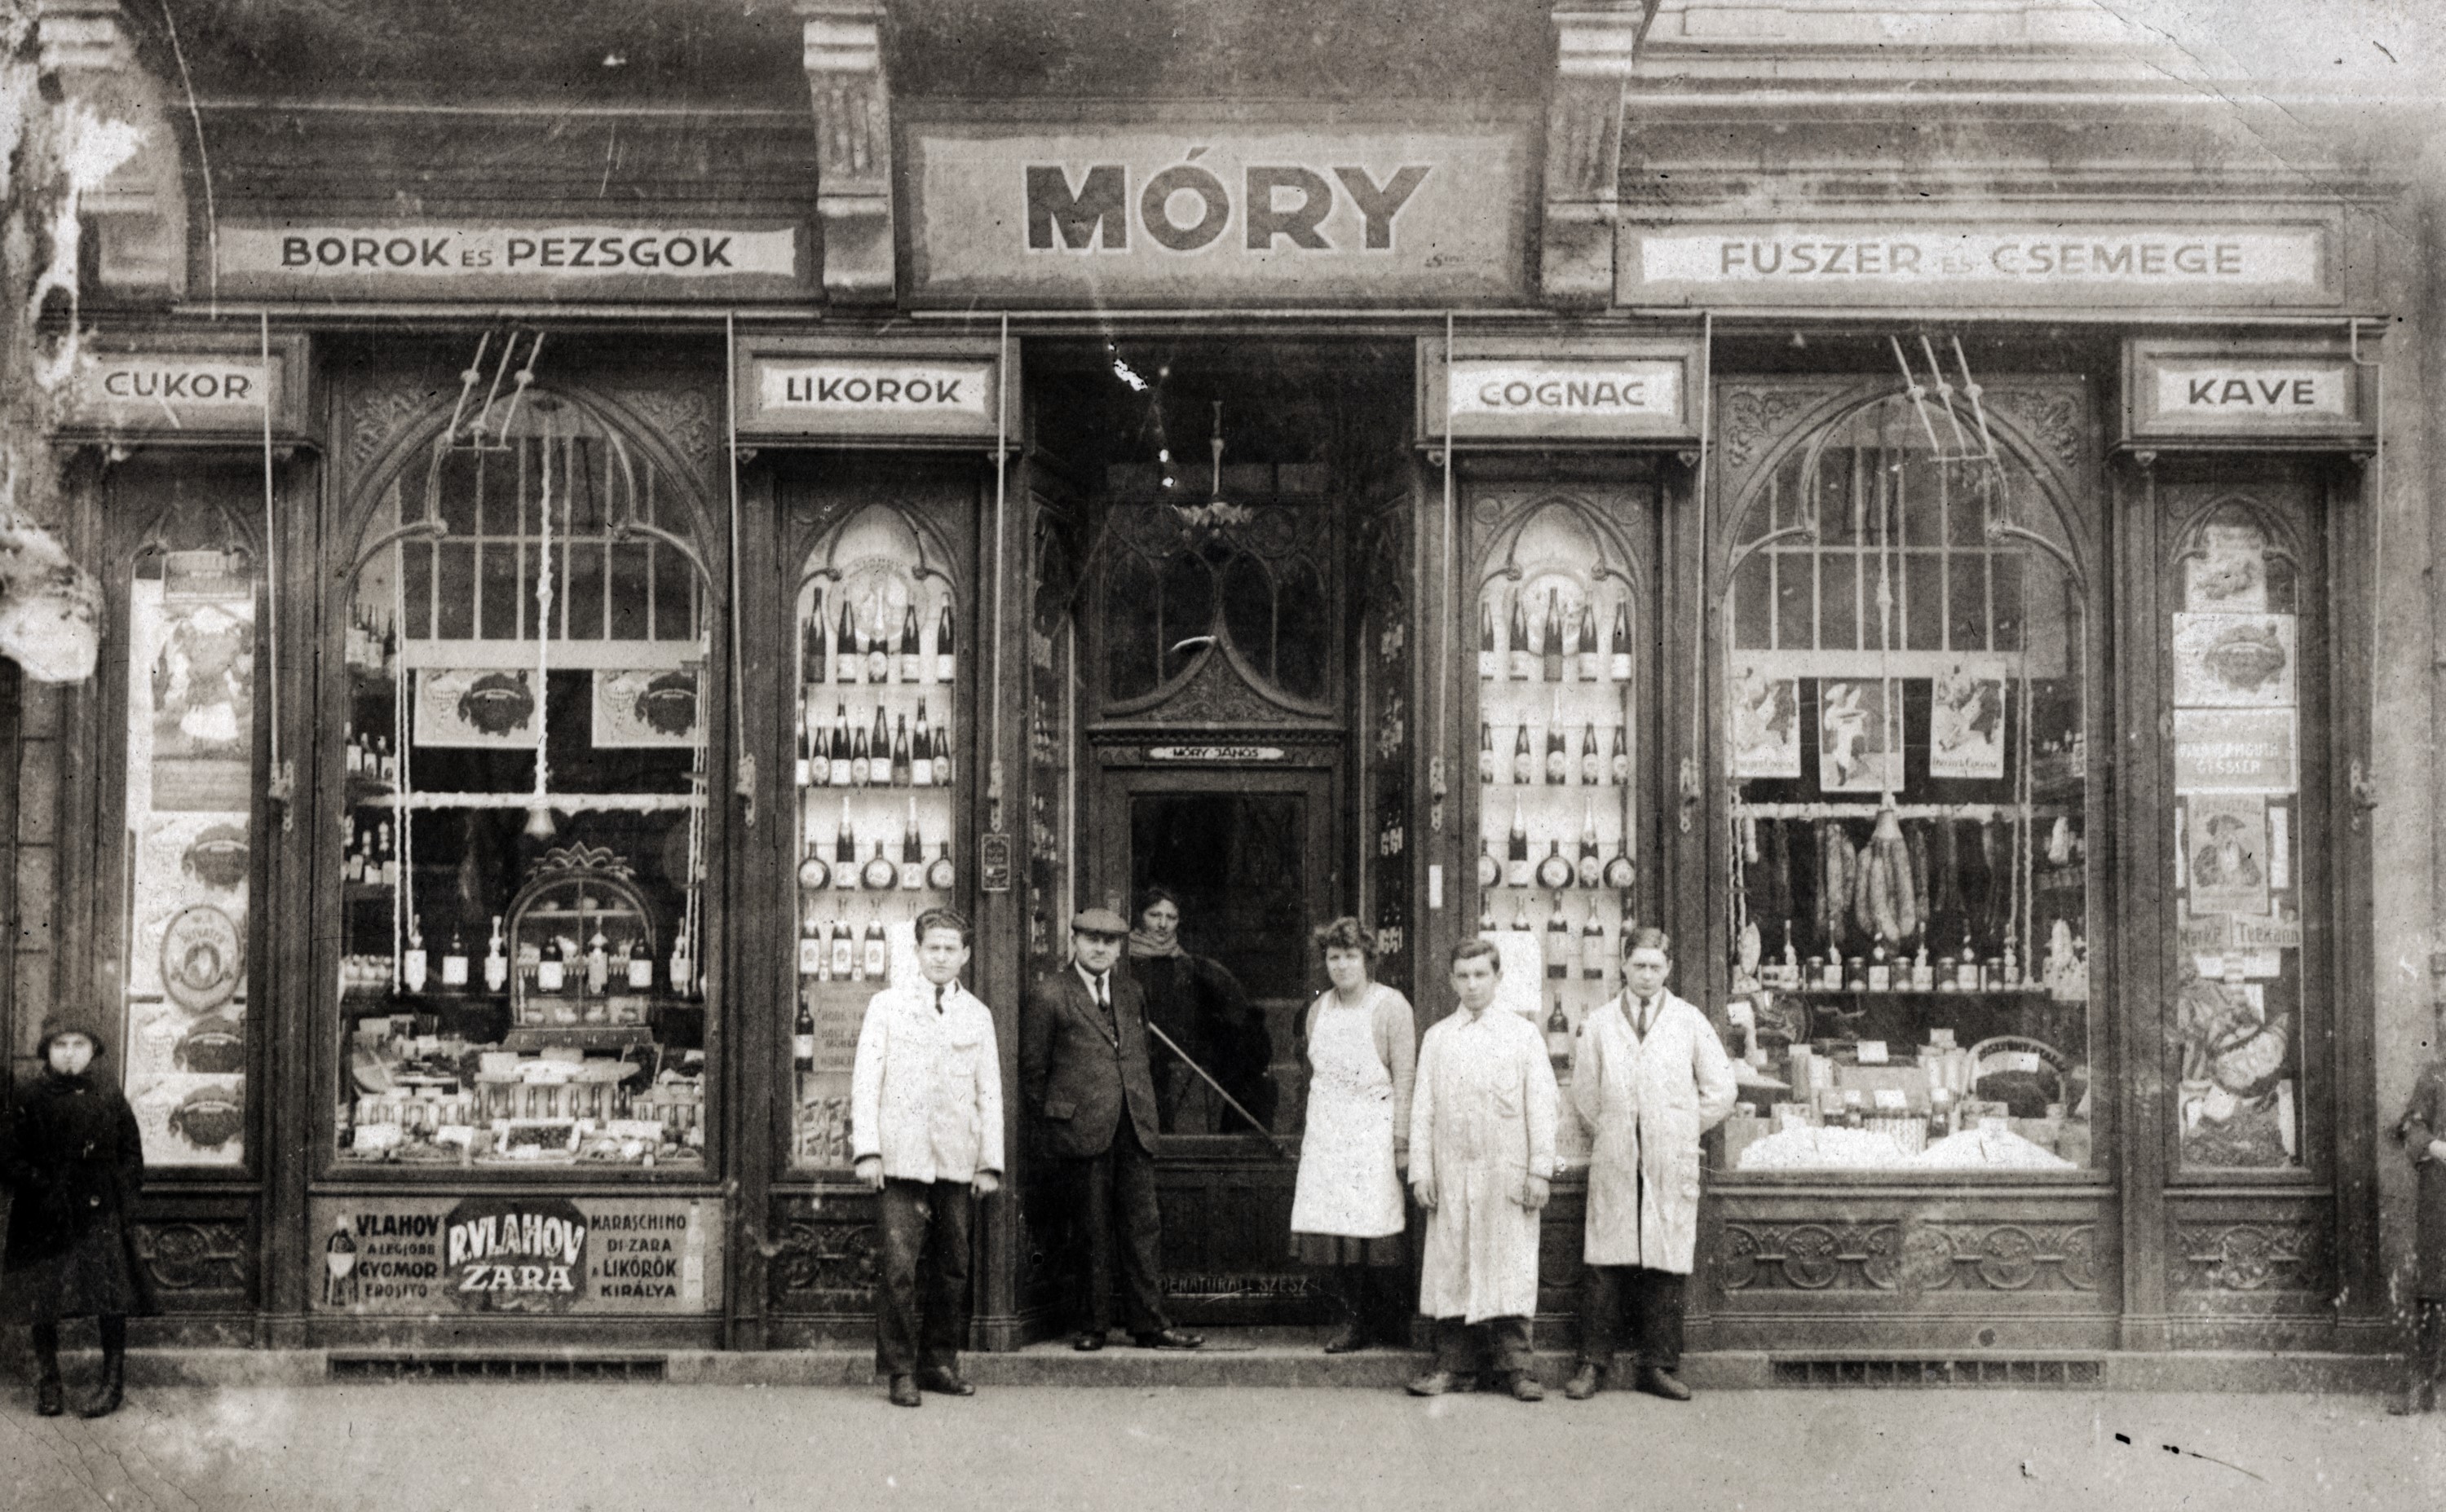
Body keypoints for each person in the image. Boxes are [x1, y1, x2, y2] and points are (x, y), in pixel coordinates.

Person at [1564, 928, 1737, 1403]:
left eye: (1655, 967)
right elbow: (1584, 1094)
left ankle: (1658, 1365)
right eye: (1638, 965)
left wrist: (1678, 1127)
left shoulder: (1688, 1021)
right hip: (1617, 1154)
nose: (1646, 975)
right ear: (1623, 964)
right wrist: (1620, 1129)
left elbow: (1722, 1088)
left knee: (1665, 1259)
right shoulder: (1599, 1023)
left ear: (1668, 969)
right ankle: (1592, 1364)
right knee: (1605, 1260)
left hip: (1669, 1156)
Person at [1021, 906, 1203, 1352]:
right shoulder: (1050, 995)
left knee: (1144, 1227)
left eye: (1110, 942)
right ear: (1075, 943)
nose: (1100, 948)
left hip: (1133, 1126)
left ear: (1121, 947)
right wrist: (1055, 1125)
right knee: (1090, 1228)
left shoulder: (1130, 991)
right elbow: (1032, 1074)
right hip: (1080, 1130)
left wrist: (1144, 1112)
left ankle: (1149, 1325)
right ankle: (1092, 1325)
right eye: (1091, 940)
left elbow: (1136, 1055)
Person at [850, 906, 1002, 1408]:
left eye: (950, 948)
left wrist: (988, 1162)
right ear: (917, 953)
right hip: (900, 1159)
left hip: (957, 1159)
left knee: (953, 1267)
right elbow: (866, 1083)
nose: (940, 956)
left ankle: (939, 1362)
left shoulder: (977, 1015)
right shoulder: (886, 1007)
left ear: (966, 955)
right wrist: (868, 1151)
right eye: (931, 947)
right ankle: (899, 1371)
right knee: (899, 1268)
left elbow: (990, 1095)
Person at [1406, 939, 1557, 1401]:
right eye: (1463, 976)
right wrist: (1421, 1172)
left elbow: (1544, 1106)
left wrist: (1539, 1171)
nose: (1472, 985)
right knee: (1454, 1267)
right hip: (1453, 1172)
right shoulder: (1438, 1037)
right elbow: (1423, 1110)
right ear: (1452, 980)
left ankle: (1518, 1370)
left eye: (1481, 975)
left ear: (1498, 978)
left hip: (1505, 1174)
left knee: (1508, 1266)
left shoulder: (1523, 1035)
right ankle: (1453, 1367)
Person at [2, 1016, 152, 1418]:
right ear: (47, 1051)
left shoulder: (108, 1096)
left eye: (79, 1044)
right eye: (61, 1045)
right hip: (44, 1213)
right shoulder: (30, 1096)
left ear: (93, 1050)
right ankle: (49, 1381)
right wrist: (43, 1186)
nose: (69, 1053)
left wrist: (116, 1196)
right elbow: (8, 1157)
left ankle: (112, 1382)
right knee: (43, 1297)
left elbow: (131, 1155)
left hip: (97, 1213)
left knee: (109, 1295)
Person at [1288, 918, 1416, 1353]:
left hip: (1373, 1131)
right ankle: (1351, 1320)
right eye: (1333, 957)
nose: (1341, 966)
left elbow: (1405, 1076)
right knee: (1333, 1230)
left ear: (1367, 960)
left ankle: (1384, 1322)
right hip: (1328, 1130)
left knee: (1374, 1228)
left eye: (1350, 956)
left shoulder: (1390, 1006)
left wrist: (1401, 1141)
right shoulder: (1319, 1010)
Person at [1128, 886, 1269, 1134]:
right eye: (1154, 915)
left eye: (1171, 918)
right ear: (1140, 917)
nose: (1163, 924)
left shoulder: (1190, 966)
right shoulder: (1124, 963)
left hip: (1180, 1060)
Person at [2391, 1038, 2446, 1413]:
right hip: (2440, 1194)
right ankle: (2422, 1389)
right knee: (2432, 1287)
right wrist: (2437, 1147)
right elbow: (2412, 1128)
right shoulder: (2435, 1075)